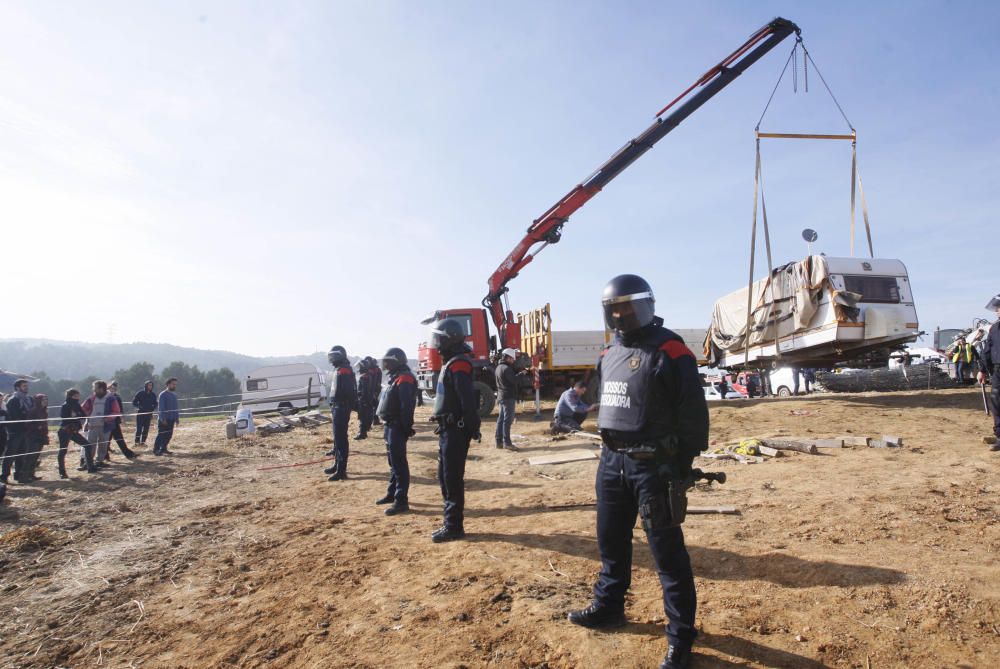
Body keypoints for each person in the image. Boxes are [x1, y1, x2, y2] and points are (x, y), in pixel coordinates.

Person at [567, 274, 709, 669]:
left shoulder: (671, 350)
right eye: (614, 307)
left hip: (654, 467)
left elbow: (694, 415)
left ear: (645, 305)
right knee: (611, 543)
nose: (620, 313)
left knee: (667, 555)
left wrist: (680, 468)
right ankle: (609, 607)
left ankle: (680, 637)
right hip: (612, 463)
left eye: (627, 305)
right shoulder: (608, 353)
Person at [429, 318, 481, 543]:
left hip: (455, 430)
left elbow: (467, 401)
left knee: (451, 478)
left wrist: (470, 427)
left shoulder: (459, 363)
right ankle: (449, 522)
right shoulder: (452, 362)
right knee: (444, 476)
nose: (436, 344)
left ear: (450, 339)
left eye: (439, 339)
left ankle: (454, 526)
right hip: (447, 429)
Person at [375, 347, 417, 516]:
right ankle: (392, 493)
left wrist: (406, 428)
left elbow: (406, 406)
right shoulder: (396, 377)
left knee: (399, 464)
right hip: (389, 424)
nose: (385, 364)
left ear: (395, 361)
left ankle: (401, 500)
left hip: (397, 426)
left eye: (387, 361)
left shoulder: (405, 378)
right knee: (392, 462)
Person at [324, 346, 357, 481]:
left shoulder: (344, 370)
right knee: (338, 439)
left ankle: (341, 470)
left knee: (341, 439)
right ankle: (337, 464)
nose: (331, 359)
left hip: (341, 408)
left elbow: (348, 391)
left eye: (333, 356)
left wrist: (345, 405)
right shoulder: (340, 369)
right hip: (337, 407)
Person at [975, 293, 1000, 450]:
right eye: (997, 309)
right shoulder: (994, 329)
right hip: (998, 370)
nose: (998, 311)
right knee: (997, 402)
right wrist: (982, 370)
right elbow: (987, 350)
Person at [82, 381, 121, 467]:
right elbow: (83, 408)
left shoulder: (111, 398)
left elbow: (116, 411)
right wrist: (87, 416)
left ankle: (100, 461)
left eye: (95, 388)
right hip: (93, 425)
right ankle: (88, 462)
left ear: (101, 389)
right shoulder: (91, 398)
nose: (94, 390)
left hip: (105, 426)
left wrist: (107, 418)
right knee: (91, 444)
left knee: (103, 444)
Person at [58, 389, 96, 477]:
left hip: (74, 431)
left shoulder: (77, 405)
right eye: (76, 396)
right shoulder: (65, 405)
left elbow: (83, 415)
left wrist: (76, 415)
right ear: (71, 396)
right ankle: (62, 472)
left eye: (78, 396)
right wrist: (75, 416)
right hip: (65, 431)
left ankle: (90, 467)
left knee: (87, 445)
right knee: (63, 451)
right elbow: (64, 417)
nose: (78, 398)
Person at [3, 380, 35, 484]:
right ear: (17, 388)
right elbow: (14, 416)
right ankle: (4, 476)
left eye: (27, 386)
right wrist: (26, 416)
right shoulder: (13, 400)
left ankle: (19, 475)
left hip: (26, 431)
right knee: (10, 454)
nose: (26, 387)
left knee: (22, 454)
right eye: (24, 386)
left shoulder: (29, 399)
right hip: (15, 431)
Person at [494, 348, 520, 450]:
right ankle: (507, 443)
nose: (513, 361)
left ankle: (498, 441)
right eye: (512, 359)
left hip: (501, 396)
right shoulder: (507, 369)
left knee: (501, 419)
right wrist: (522, 374)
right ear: (508, 358)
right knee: (507, 420)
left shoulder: (498, 368)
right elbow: (513, 381)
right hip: (508, 397)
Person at [105, 381, 136, 459]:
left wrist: (121, 417)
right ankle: (104, 455)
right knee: (106, 440)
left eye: (115, 387)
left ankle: (128, 454)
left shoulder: (117, 397)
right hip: (107, 421)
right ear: (108, 388)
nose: (114, 389)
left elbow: (120, 409)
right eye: (112, 387)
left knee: (119, 438)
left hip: (115, 421)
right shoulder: (105, 398)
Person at [24, 394, 50, 480]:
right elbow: (27, 424)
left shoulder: (44, 411)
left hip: (41, 436)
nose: (45, 401)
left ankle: (31, 475)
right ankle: (23, 477)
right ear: (39, 401)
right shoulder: (33, 411)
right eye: (43, 400)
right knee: (30, 457)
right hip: (32, 436)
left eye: (46, 399)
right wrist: (37, 427)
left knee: (35, 457)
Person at [153, 378, 180, 456]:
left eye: (175, 384)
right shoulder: (163, 394)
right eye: (173, 384)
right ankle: (156, 450)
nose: (174, 386)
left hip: (171, 419)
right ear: (168, 384)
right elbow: (161, 408)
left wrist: (177, 418)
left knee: (169, 435)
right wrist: (162, 419)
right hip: (164, 419)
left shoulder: (174, 395)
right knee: (161, 435)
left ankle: (164, 448)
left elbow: (175, 407)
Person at [132, 381, 158, 446]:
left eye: (151, 385)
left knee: (146, 429)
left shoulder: (153, 395)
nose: (150, 387)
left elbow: (155, 403)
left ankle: (143, 442)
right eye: (149, 385)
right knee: (139, 429)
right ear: (146, 385)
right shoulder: (140, 393)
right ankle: (137, 442)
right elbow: (134, 402)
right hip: (141, 414)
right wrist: (139, 407)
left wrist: (153, 408)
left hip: (149, 414)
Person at [354, 359, 373, 440]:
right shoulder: (369, 375)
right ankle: (364, 431)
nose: (358, 368)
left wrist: (362, 400)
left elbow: (364, 390)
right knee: (367, 416)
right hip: (368, 399)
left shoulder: (364, 377)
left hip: (363, 400)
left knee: (362, 417)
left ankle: (362, 433)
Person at [367, 356, 383, 426]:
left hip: (372, 390)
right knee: (375, 405)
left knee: (372, 405)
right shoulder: (377, 370)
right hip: (374, 390)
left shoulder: (370, 370)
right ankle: (374, 420)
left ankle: (373, 420)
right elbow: (378, 382)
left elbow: (377, 381)